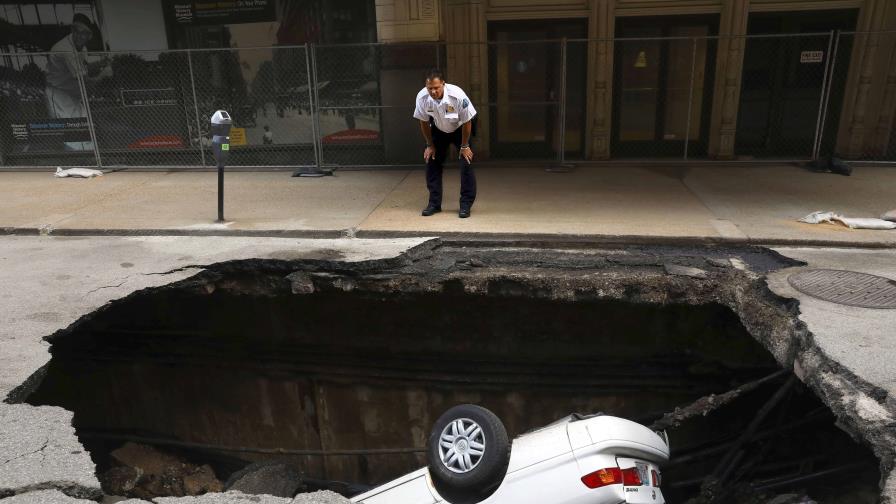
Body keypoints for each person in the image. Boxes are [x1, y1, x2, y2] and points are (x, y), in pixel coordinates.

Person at [413, 69, 477, 218]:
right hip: (438, 128)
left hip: (461, 128)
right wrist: (429, 145)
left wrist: (465, 146)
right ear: (426, 86)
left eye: (436, 87)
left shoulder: (457, 95)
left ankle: (465, 205)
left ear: (443, 84)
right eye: (430, 88)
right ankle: (434, 204)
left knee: (465, 163)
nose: (433, 91)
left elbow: (468, 121)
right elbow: (423, 122)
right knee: (432, 162)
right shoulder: (422, 97)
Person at [45, 13, 111, 150]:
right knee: (74, 137)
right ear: (72, 31)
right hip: (59, 95)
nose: (80, 35)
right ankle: (76, 161)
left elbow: (84, 67)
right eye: (77, 31)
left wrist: (101, 63)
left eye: (85, 33)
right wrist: (103, 74)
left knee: (84, 131)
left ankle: (88, 158)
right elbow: (85, 81)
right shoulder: (66, 50)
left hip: (70, 94)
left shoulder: (81, 47)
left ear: (89, 36)